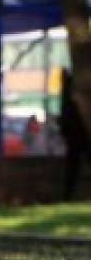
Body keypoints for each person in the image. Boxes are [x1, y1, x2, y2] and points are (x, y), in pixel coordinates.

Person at [60, 69, 88, 200]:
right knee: (73, 166)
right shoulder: (71, 100)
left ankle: (67, 195)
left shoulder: (68, 100)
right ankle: (67, 195)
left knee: (72, 166)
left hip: (76, 134)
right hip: (79, 134)